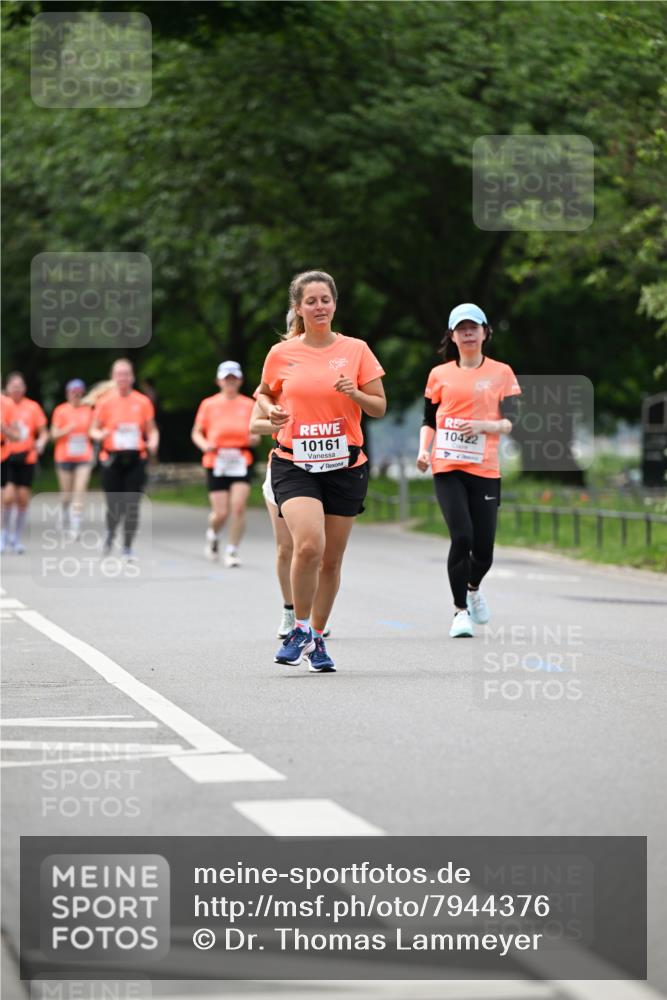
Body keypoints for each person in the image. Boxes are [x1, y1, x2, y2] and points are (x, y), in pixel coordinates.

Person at [256, 270, 386, 673]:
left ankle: (316, 637)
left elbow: (379, 407)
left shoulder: (356, 349)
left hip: (345, 465)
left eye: (325, 300)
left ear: (334, 304)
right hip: (294, 462)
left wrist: (355, 392)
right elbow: (264, 393)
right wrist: (271, 412)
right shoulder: (282, 354)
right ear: (298, 308)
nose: (319, 307)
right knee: (309, 545)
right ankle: (298, 628)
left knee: (331, 560)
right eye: (310, 301)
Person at [417, 303, 521, 638]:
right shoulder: (439, 375)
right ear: (452, 336)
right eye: (461, 329)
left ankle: (473, 588)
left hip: (485, 469)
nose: (468, 334)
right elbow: (429, 420)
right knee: (461, 536)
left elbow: (512, 422)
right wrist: (423, 450)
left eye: (473, 328)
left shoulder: (502, 372)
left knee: (484, 551)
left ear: (485, 332)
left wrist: (483, 426)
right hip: (447, 466)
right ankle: (460, 611)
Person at [249, 397, 331, 639]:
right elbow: (254, 424)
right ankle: (290, 610)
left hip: (324, 472)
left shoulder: (331, 381)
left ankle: (313, 614)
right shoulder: (275, 384)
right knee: (286, 549)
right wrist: (283, 424)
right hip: (284, 471)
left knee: (314, 549)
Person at [89, 359, 159, 561]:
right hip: (111, 459)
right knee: (114, 505)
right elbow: (92, 429)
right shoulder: (104, 402)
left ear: (132, 377)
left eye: (126, 374)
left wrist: (153, 441)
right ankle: (111, 531)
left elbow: (152, 430)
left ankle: (127, 546)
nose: (123, 378)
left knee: (132, 504)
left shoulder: (142, 402)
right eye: (119, 374)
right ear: (113, 377)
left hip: (136, 458)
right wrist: (99, 435)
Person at [191, 362, 258, 568]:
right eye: (226, 379)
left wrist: (254, 438)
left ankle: (232, 550)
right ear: (219, 381)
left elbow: (256, 431)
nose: (230, 382)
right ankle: (213, 533)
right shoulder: (208, 404)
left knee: (238, 507)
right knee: (220, 512)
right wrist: (205, 445)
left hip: (240, 459)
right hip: (216, 460)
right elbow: (196, 432)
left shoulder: (249, 404)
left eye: (234, 379)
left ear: (240, 381)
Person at [1, 373, 48, 554]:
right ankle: (3, 534)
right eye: (13, 385)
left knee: (22, 499)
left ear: (25, 388)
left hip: (27, 457)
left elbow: (43, 431)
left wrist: (41, 442)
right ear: (7, 388)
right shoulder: (4, 404)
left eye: (19, 385)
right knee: (7, 497)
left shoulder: (33, 407)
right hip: (7, 456)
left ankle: (17, 537)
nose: (16, 389)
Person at [50, 379, 94, 538]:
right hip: (64, 456)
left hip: (84, 456)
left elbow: (93, 430)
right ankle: (64, 514)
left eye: (78, 392)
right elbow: (53, 435)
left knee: (80, 490)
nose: (76, 395)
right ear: (67, 394)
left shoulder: (88, 410)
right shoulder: (60, 410)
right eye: (73, 392)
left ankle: (75, 526)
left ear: (82, 393)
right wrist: (66, 430)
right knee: (66, 494)